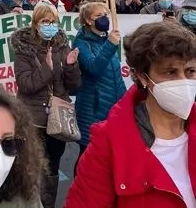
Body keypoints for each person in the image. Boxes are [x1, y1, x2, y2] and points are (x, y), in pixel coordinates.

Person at [67, 21, 196, 207]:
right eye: (170, 72)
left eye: (190, 71)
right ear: (143, 77)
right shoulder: (108, 143)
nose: (183, 82)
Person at [11, 3, 81, 208]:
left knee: (52, 170)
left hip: (58, 122)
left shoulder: (61, 46)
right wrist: (47, 69)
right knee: (31, 169)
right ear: (35, 24)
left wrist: (71, 66)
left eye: (53, 22)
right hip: (33, 122)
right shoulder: (24, 50)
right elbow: (25, 85)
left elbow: (74, 86)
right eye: (44, 22)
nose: (49, 26)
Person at [72, 1, 125, 169]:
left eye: (105, 15)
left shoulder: (106, 40)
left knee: (110, 156)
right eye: (98, 16)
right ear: (88, 20)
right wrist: (110, 45)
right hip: (92, 108)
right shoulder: (82, 43)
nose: (104, 19)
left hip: (113, 106)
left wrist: (125, 100)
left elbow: (116, 74)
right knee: (88, 155)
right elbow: (94, 69)